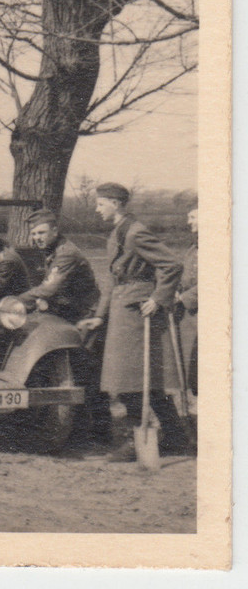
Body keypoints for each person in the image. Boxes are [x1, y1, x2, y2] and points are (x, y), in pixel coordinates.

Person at [77, 183, 189, 460]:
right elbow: (112, 281)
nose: (97, 208)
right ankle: (176, 436)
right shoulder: (118, 232)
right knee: (133, 380)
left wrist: (158, 298)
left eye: (101, 203)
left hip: (137, 313)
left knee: (131, 380)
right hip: (121, 310)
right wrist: (99, 317)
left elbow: (172, 264)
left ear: (116, 203)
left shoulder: (135, 232)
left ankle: (136, 440)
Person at [18, 208, 108, 442]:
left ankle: (100, 432)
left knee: (87, 372)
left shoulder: (66, 254)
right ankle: (83, 430)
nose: (37, 238)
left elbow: (49, 288)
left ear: (55, 230)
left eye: (42, 232)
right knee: (79, 372)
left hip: (86, 318)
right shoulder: (53, 252)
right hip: (72, 317)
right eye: (34, 233)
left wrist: (14, 303)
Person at [175, 205, 198, 401]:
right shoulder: (194, 247)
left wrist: (183, 298)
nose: (189, 222)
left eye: (193, 217)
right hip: (190, 316)